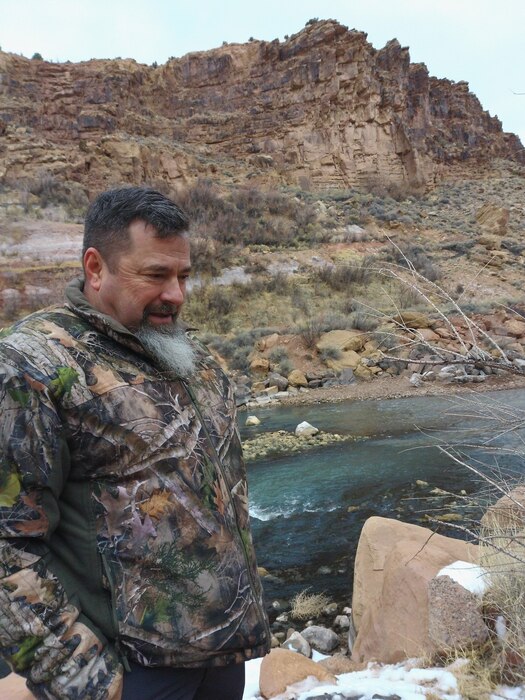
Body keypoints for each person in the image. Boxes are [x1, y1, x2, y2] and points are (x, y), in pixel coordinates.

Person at [0, 187, 270, 700]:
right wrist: (85, 680)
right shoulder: (31, 366)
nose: (177, 294)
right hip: (130, 672)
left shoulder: (195, 360)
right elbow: (7, 546)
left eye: (184, 276)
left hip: (224, 658)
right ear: (95, 267)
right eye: (156, 275)